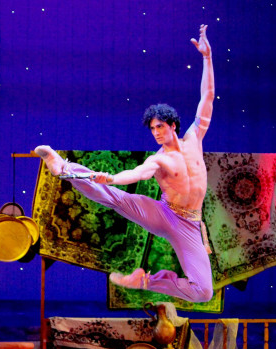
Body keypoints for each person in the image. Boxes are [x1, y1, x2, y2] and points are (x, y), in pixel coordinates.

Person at [35, 25, 215, 303]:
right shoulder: (159, 159)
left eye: (159, 126)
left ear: (173, 125)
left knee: (203, 292)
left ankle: (145, 281)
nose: (155, 133)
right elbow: (138, 173)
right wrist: (112, 179)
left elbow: (207, 96)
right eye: (152, 129)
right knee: (116, 198)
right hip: (165, 214)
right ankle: (63, 168)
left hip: (190, 225)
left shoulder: (195, 138)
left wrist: (207, 58)